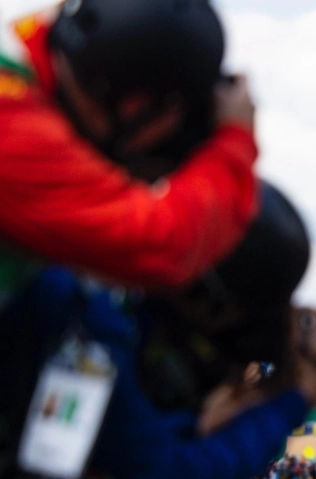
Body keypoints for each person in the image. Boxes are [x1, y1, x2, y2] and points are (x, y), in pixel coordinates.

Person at [0, 0, 258, 294]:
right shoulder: (14, 128)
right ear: (134, 105)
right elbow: (160, 246)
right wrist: (234, 140)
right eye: (170, 116)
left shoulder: (21, 63)